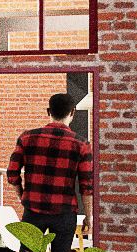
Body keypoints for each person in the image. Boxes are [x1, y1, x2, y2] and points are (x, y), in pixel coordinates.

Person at [6, 92, 94, 239]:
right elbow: (87, 186)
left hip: (33, 212)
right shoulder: (81, 144)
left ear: (48, 111)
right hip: (65, 213)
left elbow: (12, 173)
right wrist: (89, 217)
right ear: (73, 112)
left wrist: (23, 196)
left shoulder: (27, 138)